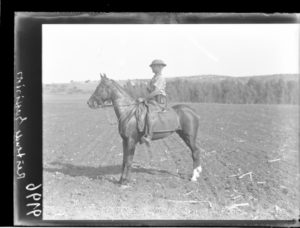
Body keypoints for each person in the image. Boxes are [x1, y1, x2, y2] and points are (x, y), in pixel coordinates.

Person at [141, 59, 167, 145]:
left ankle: (149, 135)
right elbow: (150, 89)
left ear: (159, 67)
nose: (152, 68)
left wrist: (145, 99)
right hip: (153, 100)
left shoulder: (160, 78)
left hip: (159, 101)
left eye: (153, 66)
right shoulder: (154, 78)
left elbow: (156, 91)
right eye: (152, 66)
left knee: (150, 113)